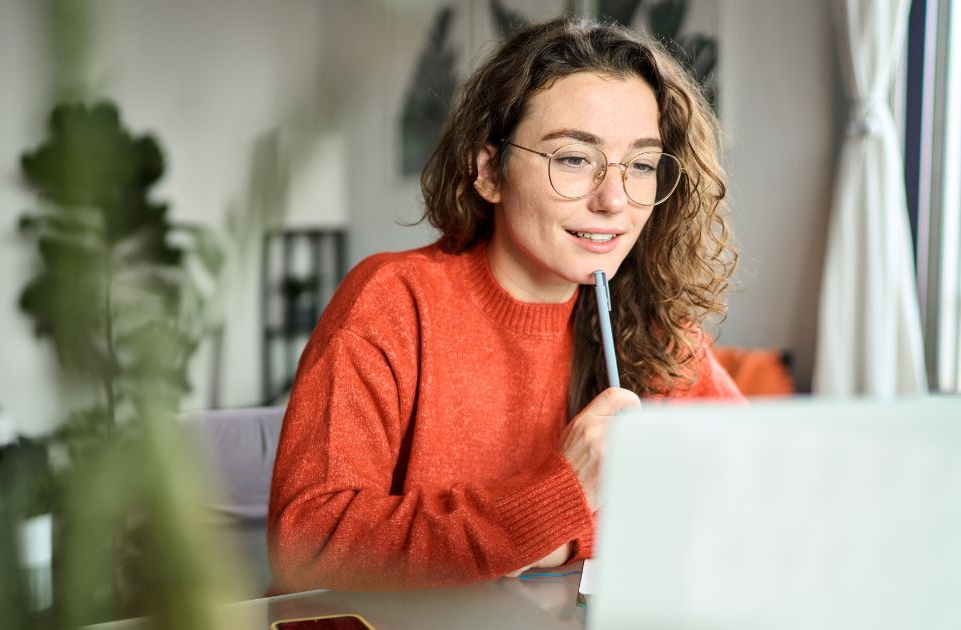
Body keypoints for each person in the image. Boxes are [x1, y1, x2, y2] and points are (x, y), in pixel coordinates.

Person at [267, 16, 743, 593]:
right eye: (573, 158)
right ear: (489, 170)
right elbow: (309, 547)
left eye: (640, 165)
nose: (614, 199)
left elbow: (752, 494)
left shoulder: (653, 324)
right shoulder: (393, 302)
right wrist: (560, 500)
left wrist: (565, 537)